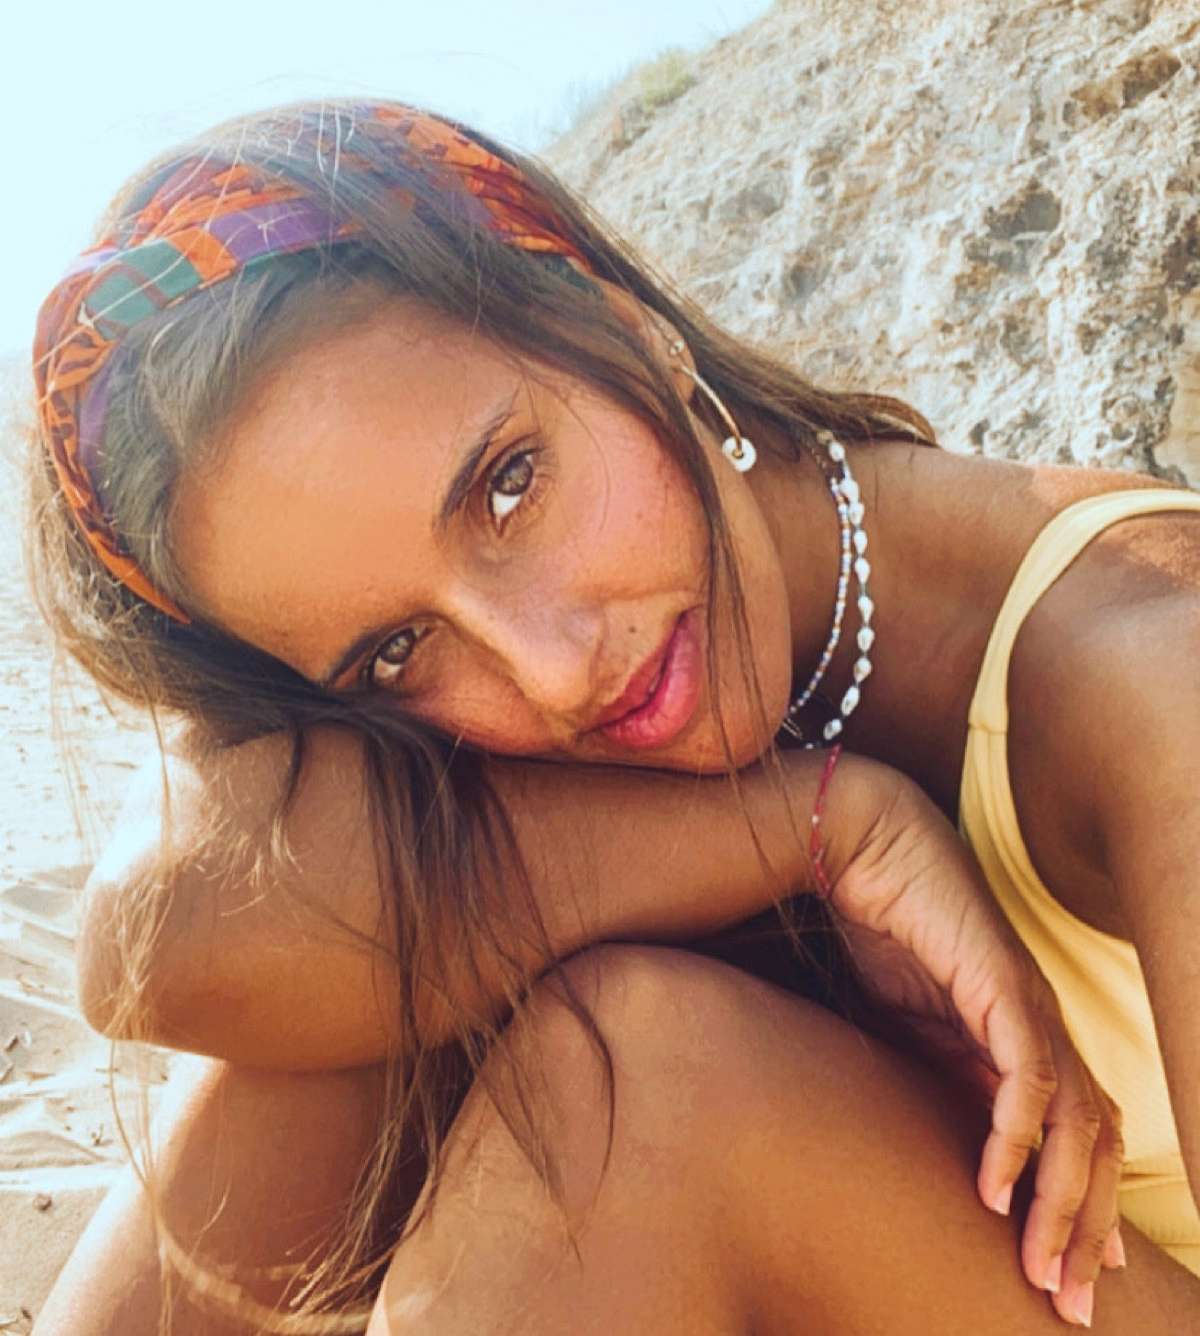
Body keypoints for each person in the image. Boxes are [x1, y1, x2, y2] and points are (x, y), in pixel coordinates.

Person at [25, 101, 1200, 1334]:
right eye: (396, 650)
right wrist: (820, 824)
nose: (550, 670)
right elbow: (150, 932)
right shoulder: (551, 726)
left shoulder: (1150, 672)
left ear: (628, 327)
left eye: (508, 486)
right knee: (364, 977)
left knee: (627, 1081)